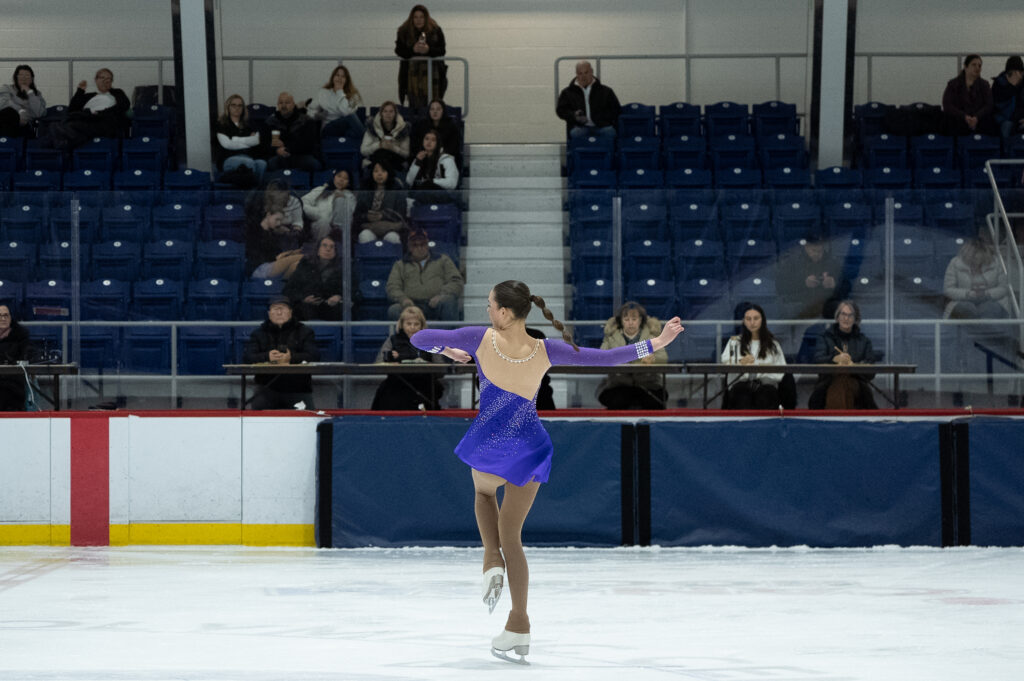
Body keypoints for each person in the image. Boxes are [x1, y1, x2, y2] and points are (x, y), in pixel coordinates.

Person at [409, 280, 684, 663]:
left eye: (491, 306)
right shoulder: (546, 348)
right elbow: (605, 359)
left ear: (505, 313)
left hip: (492, 441)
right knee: (514, 536)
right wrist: (657, 343)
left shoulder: (481, 338)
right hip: (531, 445)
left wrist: (449, 349)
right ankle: (518, 625)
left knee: (484, 494)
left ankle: (491, 559)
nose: (488, 311)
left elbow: (419, 337)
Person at [242, 297, 320, 410]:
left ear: (291, 312)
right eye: (275, 309)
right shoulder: (258, 333)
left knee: (308, 419)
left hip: (298, 388)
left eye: (282, 308)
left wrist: (291, 358)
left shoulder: (304, 331)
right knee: (259, 418)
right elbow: (247, 357)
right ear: (269, 313)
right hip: (266, 388)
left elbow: (314, 356)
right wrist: (267, 357)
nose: (279, 312)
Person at [370, 305, 447, 411]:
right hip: (398, 383)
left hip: (424, 384)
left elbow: (441, 369)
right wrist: (391, 363)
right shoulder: (392, 340)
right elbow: (379, 363)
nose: (412, 327)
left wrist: (428, 365)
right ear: (401, 324)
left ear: (422, 325)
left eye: (416, 324)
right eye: (408, 324)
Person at [595, 301, 669, 410]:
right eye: (626, 319)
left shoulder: (652, 336)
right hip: (619, 385)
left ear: (640, 321)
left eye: (634, 319)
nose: (630, 323)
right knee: (618, 401)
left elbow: (663, 358)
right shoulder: (611, 337)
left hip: (648, 385)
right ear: (621, 321)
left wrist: (652, 358)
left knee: (654, 402)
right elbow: (602, 357)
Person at [808, 300, 878, 410]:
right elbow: (817, 360)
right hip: (828, 381)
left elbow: (871, 370)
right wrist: (834, 359)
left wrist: (854, 365)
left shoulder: (864, 341)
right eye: (843, 314)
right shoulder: (825, 337)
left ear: (856, 319)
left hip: (857, 383)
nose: (846, 318)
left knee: (845, 384)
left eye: (850, 315)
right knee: (841, 384)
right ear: (837, 317)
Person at [385, 228, 463, 321]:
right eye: (415, 245)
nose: (419, 248)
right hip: (412, 305)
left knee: (449, 301)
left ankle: (449, 335)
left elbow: (456, 281)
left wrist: (442, 295)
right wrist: (403, 299)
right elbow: (392, 287)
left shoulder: (443, 260)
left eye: (422, 244)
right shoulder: (400, 265)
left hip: (436, 304)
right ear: (409, 247)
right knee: (394, 310)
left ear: (427, 245)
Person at [720, 303, 787, 409]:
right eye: (748, 319)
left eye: (756, 318)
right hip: (741, 385)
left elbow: (781, 369)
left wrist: (764, 373)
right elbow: (725, 362)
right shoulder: (734, 342)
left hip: (766, 385)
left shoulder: (773, 344)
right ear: (743, 321)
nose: (752, 322)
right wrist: (740, 363)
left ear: (762, 320)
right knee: (741, 395)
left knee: (767, 395)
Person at [48, 68, 130, 149]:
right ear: (96, 80)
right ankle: (63, 141)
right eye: (102, 78)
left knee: (64, 127)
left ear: (111, 81)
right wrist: (80, 91)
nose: (106, 80)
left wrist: (100, 113)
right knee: (73, 124)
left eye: (109, 79)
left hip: (104, 121)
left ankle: (57, 136)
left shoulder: (117, 93)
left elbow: (124, 105)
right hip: (86, 118)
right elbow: (72, 109)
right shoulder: (89, 96)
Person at [775, 235, 850, 319]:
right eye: (814, 250)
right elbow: (781, 286)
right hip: (799, 309)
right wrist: (803, 283)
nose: (817, 254)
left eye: (820, 251)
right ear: (806, 247)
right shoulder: (792, 263)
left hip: (826, 309)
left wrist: (834, 284)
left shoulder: (833, 263)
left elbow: (847, 288)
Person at [282, 232, 349, 321]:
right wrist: (303, 299)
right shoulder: (305, 265)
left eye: (332, 247)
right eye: (324, 246)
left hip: (331, 309)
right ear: (317, 250)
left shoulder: (342, 268)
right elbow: (288, 290)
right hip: (306, 308)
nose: (328, 249)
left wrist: (339, 297)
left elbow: (353, 291)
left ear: (336, 252)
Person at [943, 237, 1010, 319]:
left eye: (980, 257)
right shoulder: (955, 263)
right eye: (973, 257)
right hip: (962, 301)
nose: (976, 260)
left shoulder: (996, 263)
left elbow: (1003, 288)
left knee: (990, 308)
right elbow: (948, 289)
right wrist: (967, 294)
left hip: (993, 301)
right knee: (966, 308)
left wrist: (987, 293)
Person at [394, 5, 447, 109]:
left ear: (426, 18)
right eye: (415, 17)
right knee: (413, 102)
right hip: (411, 74)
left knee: (434, 102)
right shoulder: (403, 31)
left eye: (421, 17)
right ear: (411, 18)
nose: (418, 20)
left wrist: (428, 50)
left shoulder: (436, 30)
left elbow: (442, 50)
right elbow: (399, 50)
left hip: (433, 73)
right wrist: (413, 50)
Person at [556, 60, 621, 140]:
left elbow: (616, 110)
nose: (583, 76)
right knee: (575, 133)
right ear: (576, 74)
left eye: (586, 72)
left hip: (602, 127)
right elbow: (561, 110)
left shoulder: (606, 91)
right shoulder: (567, 92)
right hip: (580, 127)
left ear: (591, 72)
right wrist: (574, 115)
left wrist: (601, 118)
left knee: (610, 132)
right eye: (580, 73)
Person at [214, 93, 267, 186]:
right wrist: (249, 141)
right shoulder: (221, 124)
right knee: (249, 163)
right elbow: (227, 145)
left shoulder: (249, 124)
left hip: (248, 156)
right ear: (228, 107)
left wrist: (235, 140)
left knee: (262, 164)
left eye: (240, 105)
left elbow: (256, 141)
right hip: (228, 159)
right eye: (233, 105)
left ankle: (255, 193)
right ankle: (249, 194)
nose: (237, 108)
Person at [265, 92, 322, 173]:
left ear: (293, 104)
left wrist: (287, 148)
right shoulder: (270, 122)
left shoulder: (306, 120)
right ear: (277, 105)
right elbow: (265, 143)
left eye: (287, 102)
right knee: (269, 163)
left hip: (301, 155)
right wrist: (276, 150)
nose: (284, 106)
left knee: (313, 164)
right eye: (281, 103)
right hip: (279, 156)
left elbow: (308, 144)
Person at [354, 161, 407, 244]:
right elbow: (357, 215)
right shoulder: (365, 189)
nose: (379, 174)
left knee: (393, 238)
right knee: (364, 236)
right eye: (376, 171)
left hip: (390, 228)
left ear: (388, 173)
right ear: (371, 173)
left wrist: (383, 215)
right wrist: (367, 216)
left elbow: (401, 214)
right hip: (370, 227)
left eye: (383, 171)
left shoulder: (397, 189)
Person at [307, 64, 366, 139]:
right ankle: (366, 139)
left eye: (343, 76)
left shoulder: (353, 95)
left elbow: (345, 112)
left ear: (347, 80)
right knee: (351, 117)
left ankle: (364, 141)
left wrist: (340, 92)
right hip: (329, 127)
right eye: (337, 75)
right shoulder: (323, 92)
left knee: (351, 132)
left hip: (346, 127)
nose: (339, 78)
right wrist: (317, 115)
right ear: (333, 77)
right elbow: (310, 111)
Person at [942, 54, 993, 135]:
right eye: (974, 65)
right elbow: (947, 105)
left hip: (979, 120)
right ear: (965, 67)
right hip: (959, 119)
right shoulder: (953, 84)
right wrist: (964, 116)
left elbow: (989, 105)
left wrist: (977, 117)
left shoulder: (984, 85)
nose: (977, 68)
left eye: (979, 65)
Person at [301, 169, 357, 242]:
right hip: (319, 226)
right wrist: (318, 214)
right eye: (339, 176)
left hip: (339, 230)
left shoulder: (350, 196)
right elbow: (303, 202)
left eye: (345, 178)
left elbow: (348, 214)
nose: (341, 180)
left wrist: (340, 198)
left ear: (349, 183)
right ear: (334, 177)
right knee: (324, 222)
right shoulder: (321, 189)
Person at [405, 129, 459, 203]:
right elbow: (409, 181)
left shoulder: (446, 159)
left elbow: (452, 183)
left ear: (438, 143)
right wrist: (417, 163)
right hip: (422, 195)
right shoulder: (419, 158)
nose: (429, 142)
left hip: (442, 196)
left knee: (427, 186)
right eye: (426, 139)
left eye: (433, 140)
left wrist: (431, 181)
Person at [360, 100, 410, 175]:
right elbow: (363, 151)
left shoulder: (402, 130)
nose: (388, 114)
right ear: (381, 114)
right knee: (381, 153)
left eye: (391, 111)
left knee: (385, 154)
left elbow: (406, 154)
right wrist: (379, 145)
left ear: (395, 114)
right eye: (385, 111)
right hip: (376, 159)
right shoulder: (372, 128)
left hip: (395, 161)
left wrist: (393, 148)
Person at [410, 98, 461, 166]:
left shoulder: (451, 126)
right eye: (432, 109)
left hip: (444, 158)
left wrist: (438, 154)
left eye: (438, 109)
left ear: (443, 111)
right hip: (425, 157)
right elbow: (415, 143)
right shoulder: (421, 125)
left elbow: (454, 147)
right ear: (429, 111)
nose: (435, 112)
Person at [0, 303, 32, 412]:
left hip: (13, 386)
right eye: (0, 316)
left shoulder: (21, 335)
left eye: (6, 315)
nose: (3, 319)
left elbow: (27, 356)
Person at [0, 65, 46, 138]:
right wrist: (20, 110)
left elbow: (39, 113)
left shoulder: (36, 94)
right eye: (21, 75)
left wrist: (30, 93)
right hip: (6, 121)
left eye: (27, 75)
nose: (24, 78)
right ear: (16, 77)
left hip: (25, 126)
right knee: (9, 112)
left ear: (31, 79)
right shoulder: (7, 88)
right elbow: (2, 104)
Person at [991, 55, 1024, 142]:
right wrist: (1012, 86)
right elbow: (998, 107)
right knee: (1007, 126)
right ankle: (1005, 153)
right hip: (1004, 119)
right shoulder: (999, 84)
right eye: (1020, 72)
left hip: (1019, 118)